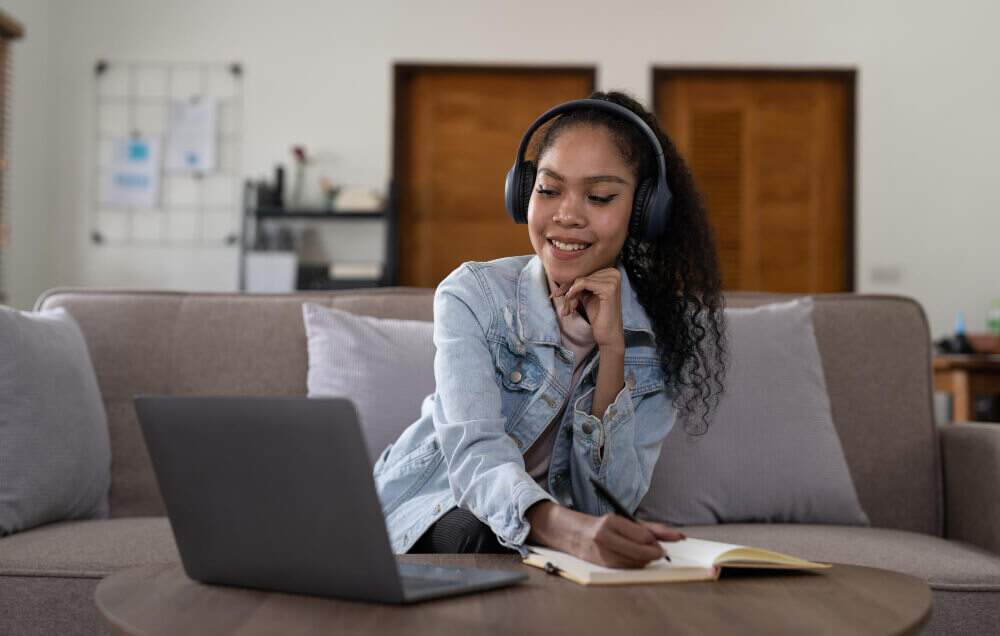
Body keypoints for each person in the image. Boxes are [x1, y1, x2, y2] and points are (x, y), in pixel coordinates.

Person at [372, 90, 727, 568]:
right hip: (434, 505)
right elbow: (475, 455)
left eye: (599, 196)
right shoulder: (472, 295)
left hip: (554, 537)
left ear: (643, 212)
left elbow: (607, 505)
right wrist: (566, 529)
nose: (566, 214)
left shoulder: (662, 330)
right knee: (486, 534)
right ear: (523, 193)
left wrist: (613, 350)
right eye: (549, 189)